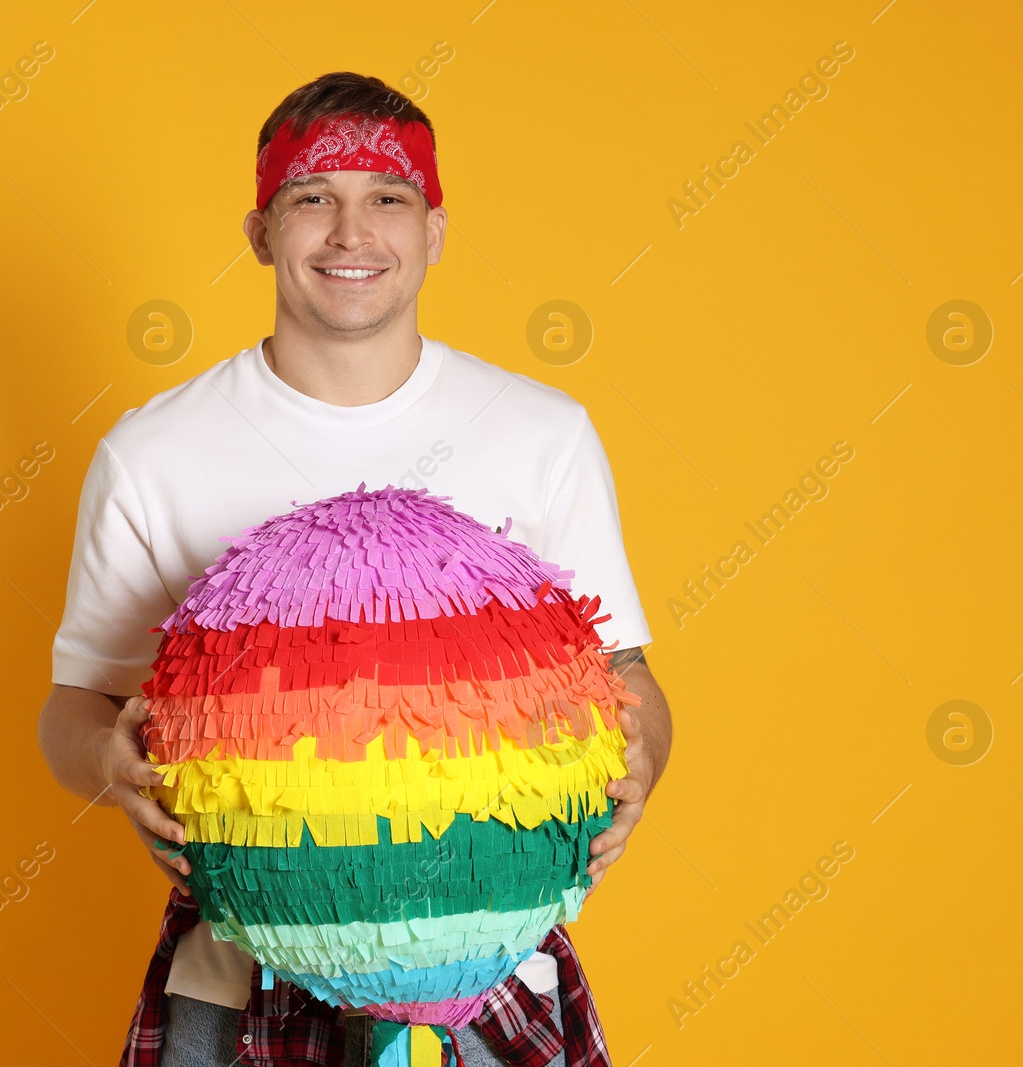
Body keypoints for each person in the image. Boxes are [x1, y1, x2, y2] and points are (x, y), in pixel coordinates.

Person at [37, 71, 674, 1067]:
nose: (350, 233)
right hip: (243, 957)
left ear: (434, 229)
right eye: (311, 198)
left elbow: (628, 677)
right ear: (259, 230)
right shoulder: (152, 451)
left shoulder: (541, 433)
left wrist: (642, 758)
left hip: (484, 957)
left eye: (387, 197)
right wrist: (107, 762)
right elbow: (72, 706)